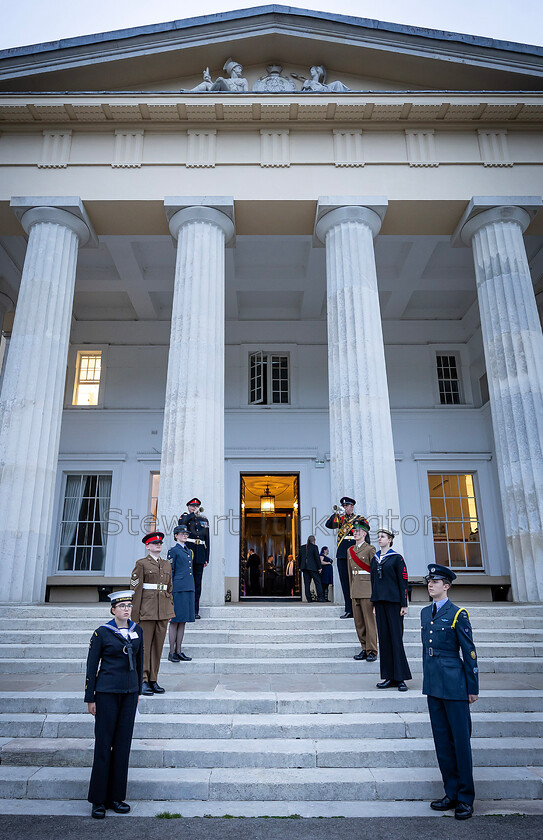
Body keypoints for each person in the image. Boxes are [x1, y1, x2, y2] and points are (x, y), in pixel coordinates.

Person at [422, 564, 479, 821]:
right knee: (442, 742)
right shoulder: (425, 613)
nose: (430, 584)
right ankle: (451, 792)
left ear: (447, 586)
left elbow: (469, 653)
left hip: (455, 685)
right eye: (429, 580)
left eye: (435, 581)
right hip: (434, 684)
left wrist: (472, 687)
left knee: (460, 743)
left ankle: (465, 798)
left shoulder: (458, 614)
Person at [85, 590, 143, 819]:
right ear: (113, 609)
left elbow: (139, 662)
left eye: (129, 605)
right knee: (103, 745)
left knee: (122, 745)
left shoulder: (137, 631)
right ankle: (98, 800)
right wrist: (90, 697)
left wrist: (137, 690)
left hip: (129, 694)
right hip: (107, 693)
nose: (126, 609)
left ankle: (116, 797)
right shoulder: (102, 633)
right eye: (122, 606)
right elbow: (92, 667)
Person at [130, 531, 174, 695]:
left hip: (162, 611)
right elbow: (136, 589)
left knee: (158, 647)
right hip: (146, 611)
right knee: (145, 646)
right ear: (147, 546)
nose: (158, 545)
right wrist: (135, 614)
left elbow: (169, 588)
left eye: (160, 543)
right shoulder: (141, 564)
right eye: (155, 543)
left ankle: (153, 679)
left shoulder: (167, 564)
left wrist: (169, 609)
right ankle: (143, 679)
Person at [370, 528, 412, 691]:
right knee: (384, 639)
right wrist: (373, 603)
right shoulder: (375, 559)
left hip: (394, 603)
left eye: (383, 537)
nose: (379, 539)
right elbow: (373, 581)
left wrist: (404, 604)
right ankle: (388, 676)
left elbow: (403, 581)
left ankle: (400, 677)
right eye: (379, 537)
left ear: (390, 540)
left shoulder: (396, 558)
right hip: (380, 603)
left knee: (395, 638)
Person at [348, 517, 378, 662]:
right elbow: (349, 574)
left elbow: (375, 573)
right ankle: (364, 648)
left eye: (358, 530)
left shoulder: (370, 549)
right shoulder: (350, 550)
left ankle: (372, 649)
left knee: (369, 621)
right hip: (356, 589)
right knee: (359, 622)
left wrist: (376, 593)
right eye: (354, 530)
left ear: (365, 533)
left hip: (367, 589)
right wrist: (351, 591)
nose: (355, 533)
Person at [166, 525, 195, 662]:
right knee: (174, 621)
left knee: (182, 621)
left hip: (188, 587)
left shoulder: (188, 551)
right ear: (176, 536)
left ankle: (179, 650)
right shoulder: (173, 551)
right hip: (177, 588)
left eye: (186, 533)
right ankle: (172, 651)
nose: (185, 535)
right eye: (182, 533)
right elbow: (170, 571)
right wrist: (169, 590)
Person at [325, 496, 357, 617]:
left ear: (352, 506)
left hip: (355, 553)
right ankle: (349, 609)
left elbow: (366, 536)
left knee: (356, 582)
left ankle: (357, 608)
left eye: (346, 506)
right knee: (345, 582)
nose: (344, 508)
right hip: (343, 554)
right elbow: (328, 524)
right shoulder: (341, 519)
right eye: (343, 506)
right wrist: (336, 513)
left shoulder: (359, 519)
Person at [178, 497, 209, 619]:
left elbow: (207, 539)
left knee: (197, 583)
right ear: (188, 507)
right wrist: (192, 514)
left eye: (197, 506)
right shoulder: (185, 517)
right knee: (187, 582)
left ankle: (195, 610)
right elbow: (181, 524)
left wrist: (207, 557)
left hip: (200, 553)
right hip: (189, 552)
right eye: (193, 506)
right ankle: (187, 608)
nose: (195, 508)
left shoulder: (204, 519)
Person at [298, 535, 324, 602]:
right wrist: (319, 567)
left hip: (304, 568)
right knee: (317, 582)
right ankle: (320, 597)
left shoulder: (302, 547)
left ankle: (308, 599)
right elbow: (317, 558)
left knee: (307, 584)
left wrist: (299, 567)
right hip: (313, 568)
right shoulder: (314, 547)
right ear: (313, 540)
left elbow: (299, 558)